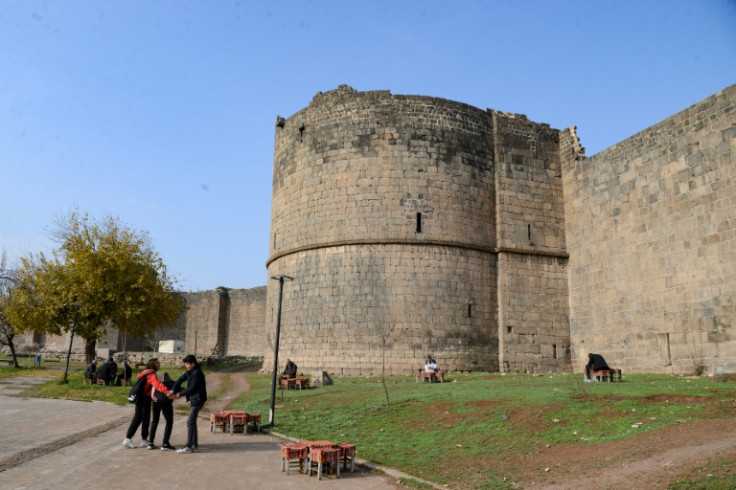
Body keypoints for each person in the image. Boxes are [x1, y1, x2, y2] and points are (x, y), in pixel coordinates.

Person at [122, 358, 171, 449]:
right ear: (152, 364)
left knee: (141, 418)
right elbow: (157, 384)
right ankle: (130, 439)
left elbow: (152, 385)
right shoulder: (151, 374)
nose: (159, 364)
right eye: (157, 363)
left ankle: (141, 439)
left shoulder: (145, 372)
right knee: (142, 419)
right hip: (144, 399)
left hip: (141, 398)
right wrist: (167, 391)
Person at [172, 354, 208, 454]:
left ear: (193, 364)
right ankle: (194, 443)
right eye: (185, 364)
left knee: (190, 422)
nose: (186, 366)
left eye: (188, 364)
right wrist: (173, 390)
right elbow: (180, 379)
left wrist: (179, 394)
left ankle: (189, 446)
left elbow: (192, 388)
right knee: (192, 421)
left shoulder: (196, 373)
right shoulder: (190, 372)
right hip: (195, 399)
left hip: (198, 399)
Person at [147, 372, 176, 451]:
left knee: (154, 421)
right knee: (169, 422)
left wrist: (153, 395)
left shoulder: (157, 384)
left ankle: (150, 442)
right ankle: (165, 443)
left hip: (156, 401)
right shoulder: (172, 383)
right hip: (166, 402)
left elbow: (152, 388)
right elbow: (181, 390)